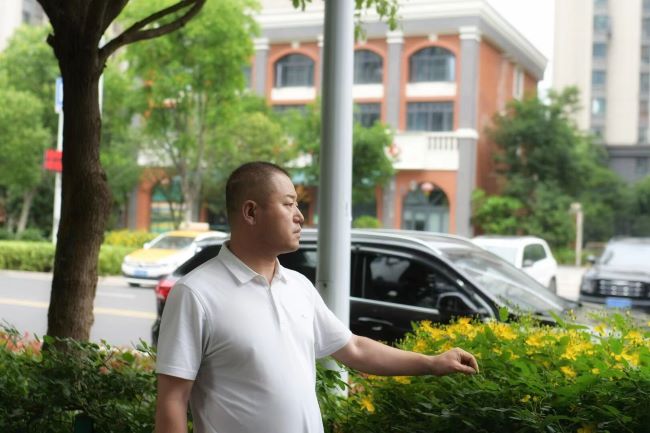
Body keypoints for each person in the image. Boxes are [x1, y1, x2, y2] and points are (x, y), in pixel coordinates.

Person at [154, 161, 479, 433]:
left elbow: (354, 348)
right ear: (251, 212)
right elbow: (172, 401)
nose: (300, 216)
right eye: (288, 204)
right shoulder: (196, 293)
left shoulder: (298, 286)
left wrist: (432, 363)